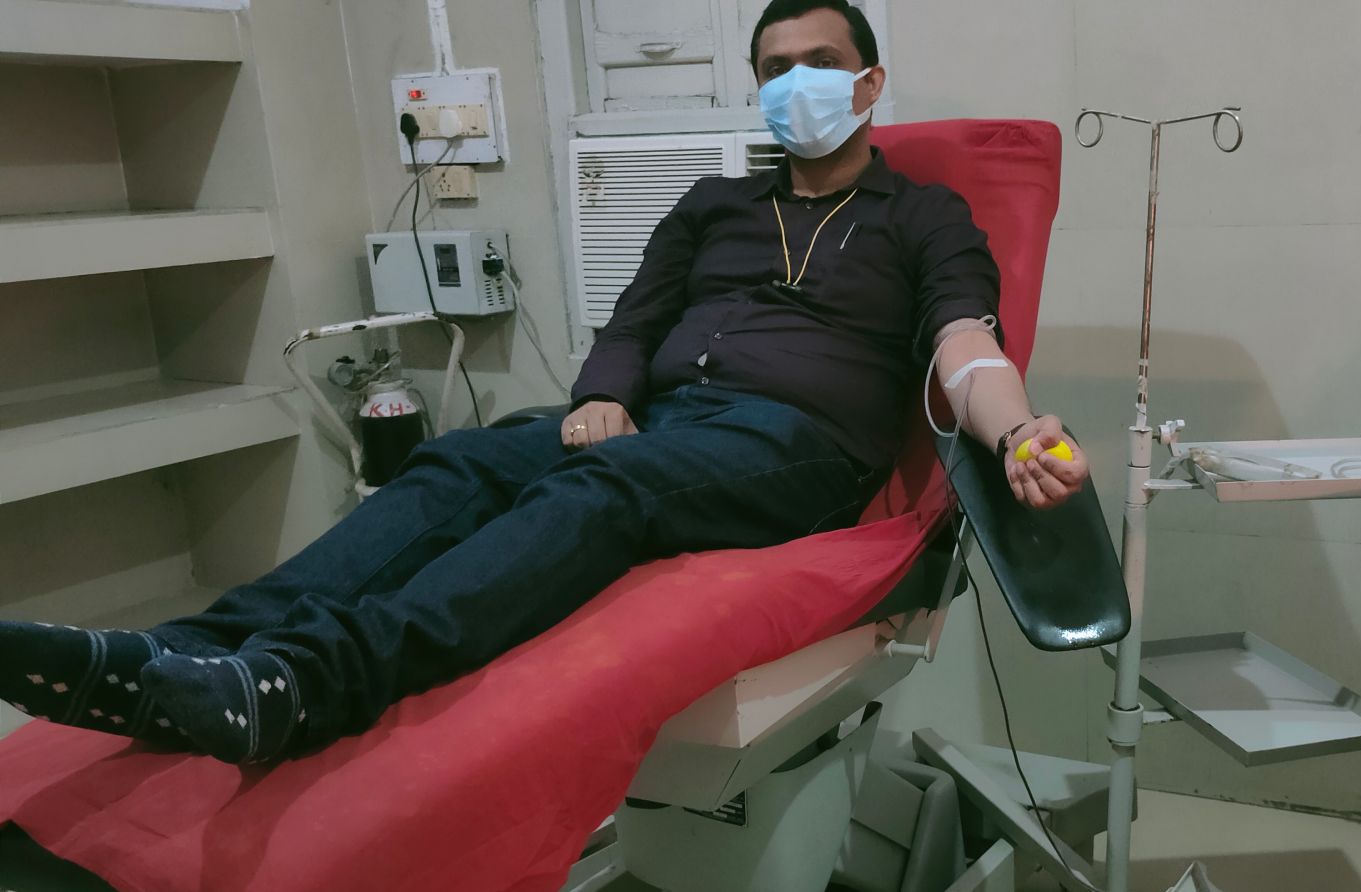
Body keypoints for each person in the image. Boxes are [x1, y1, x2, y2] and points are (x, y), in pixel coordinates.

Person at [0, 0, 1087, 765]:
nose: (794, 84)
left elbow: (966, 344)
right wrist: (600, 395)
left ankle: (307, 686)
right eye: (773, 69)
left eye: (818, 61)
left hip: (795, 446)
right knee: (456, 463)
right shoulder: (712, 204)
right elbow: (637, 319)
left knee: (600, 490)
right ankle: (194, 648)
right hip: (668, 417)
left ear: (868, 82)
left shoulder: (923, 217)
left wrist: (1016, 431)